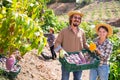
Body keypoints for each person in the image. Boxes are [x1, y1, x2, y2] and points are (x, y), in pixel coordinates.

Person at [54, 10, 89, 80]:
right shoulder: (64, 31)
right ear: (71, 19)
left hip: (79, 60)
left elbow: (85, 44)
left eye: (79, 18)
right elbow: (57, 43)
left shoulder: (82, 32)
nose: (77, 19)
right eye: (75, 17)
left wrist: (91, 48)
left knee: (78, 78)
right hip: (66, 60)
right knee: (65, 78)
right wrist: (61, 50)